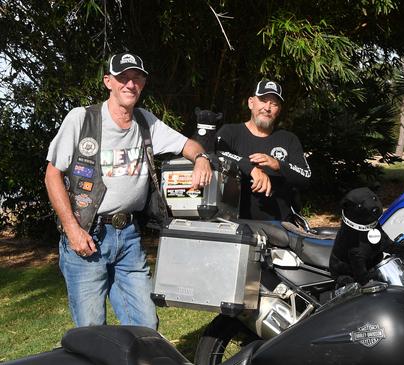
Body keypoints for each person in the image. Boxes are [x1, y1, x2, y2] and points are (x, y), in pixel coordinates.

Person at [44, 52, 213, 329]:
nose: (130, 84)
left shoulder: (146, 122)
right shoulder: (82, 119)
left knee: (145, 325)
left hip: (129, 238)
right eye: (123, 78)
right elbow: (52, 175)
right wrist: (72, 230)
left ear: (143, 84)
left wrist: (202, 159)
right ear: (108, 81)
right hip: (88, 235)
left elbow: (188, 145)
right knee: (92, 331)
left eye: (137, 79)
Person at [216, 79, 311, 220]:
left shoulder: (288, 139)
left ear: (279, 110)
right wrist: (250, 168)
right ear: (251, 102)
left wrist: (278, 164)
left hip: (280, 227)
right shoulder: (230, 133)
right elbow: (215, 154)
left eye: (274, 103)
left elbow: (306, 177)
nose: (267, 107)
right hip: (235, 224)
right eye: (263, 100)